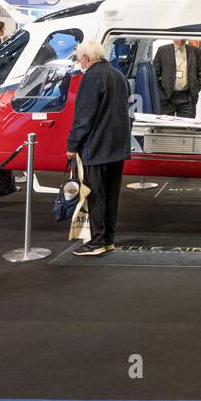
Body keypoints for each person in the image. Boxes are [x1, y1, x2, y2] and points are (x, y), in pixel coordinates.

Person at [66, 40, 132, 257]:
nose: (79, 63)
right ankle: (108, 238)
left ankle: (97, 241)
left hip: (97, 146)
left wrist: (72, 144)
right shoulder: (118, 75)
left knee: (95, 194)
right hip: (117, 146)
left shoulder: (91, 77)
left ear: (87, 57)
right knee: (112, 194)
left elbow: (84, 116)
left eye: (79, 59)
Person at [153, 39, 201, 117]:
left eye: (182, 38)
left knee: (187, 127)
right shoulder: (162, 50)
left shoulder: (196, 51)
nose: (180, 41)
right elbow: (154, 74)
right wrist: (161, 93)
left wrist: (195, 91)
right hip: (167, 97)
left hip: (187, 98)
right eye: (178, 37)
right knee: (165, 127)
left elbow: (200, 73)